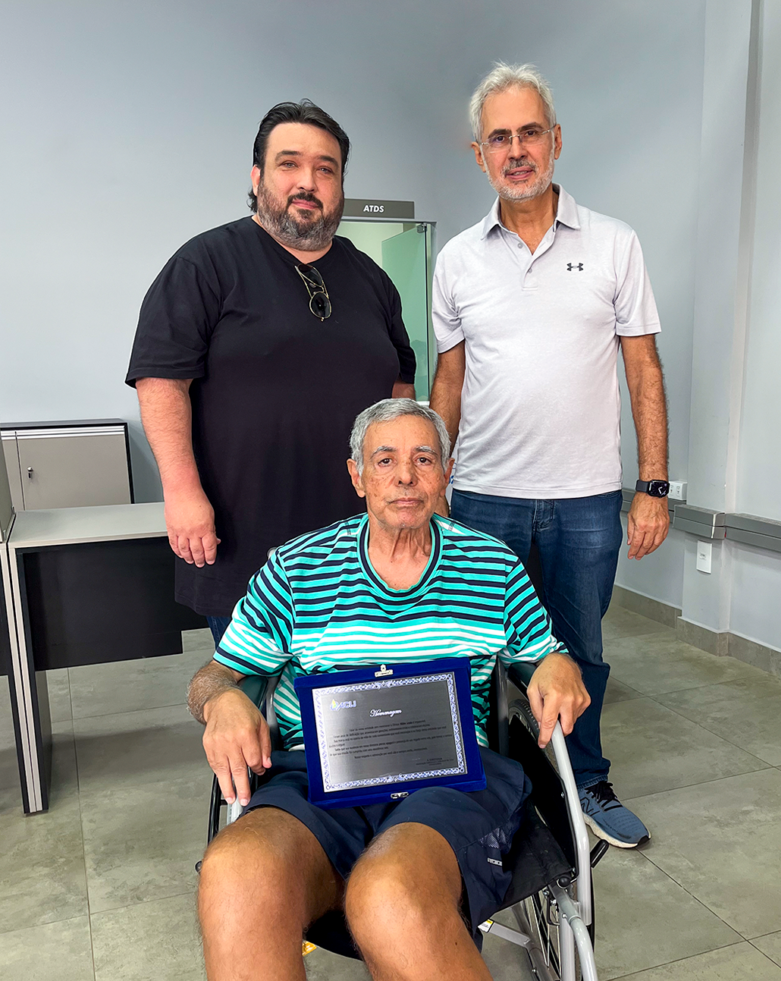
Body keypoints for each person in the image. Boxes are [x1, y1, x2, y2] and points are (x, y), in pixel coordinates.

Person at [188, 398, 589, 981]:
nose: (405, 476)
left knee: (389, 892)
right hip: (318, 778)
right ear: (357, 476)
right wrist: (221, 699)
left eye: (424, 459)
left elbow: (544, 653)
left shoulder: (492, 567)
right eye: (385, 460)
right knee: (233, 875)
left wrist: (556, 663)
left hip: (456, 779)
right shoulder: (296, 569)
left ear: (446, 473)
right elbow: (215, 674)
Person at [429, 63, 669, 849]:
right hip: (483, 496)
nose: (516, 150)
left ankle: (584, 780)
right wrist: (432, 482)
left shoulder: (614, 244)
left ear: (555, 140)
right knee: (480, 652)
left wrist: (652, 485)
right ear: (479, 155)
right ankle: (492, 790)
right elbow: (449, 380)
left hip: (585, 498)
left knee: (578, 650)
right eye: (499, 137)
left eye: (529, 132)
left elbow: (643, 367)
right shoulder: (457, 259)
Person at [126, 101, 416, 644]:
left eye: (326, 169)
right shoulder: (205, 264)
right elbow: (161, 381)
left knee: (360, 690)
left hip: (360, 548)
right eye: (289, 164)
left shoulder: (372, 280)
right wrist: (182, 494)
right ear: (258, 176)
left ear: (340, 185)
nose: (308, 181)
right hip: (246, 546)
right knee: (253, 696)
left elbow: (400, 392)